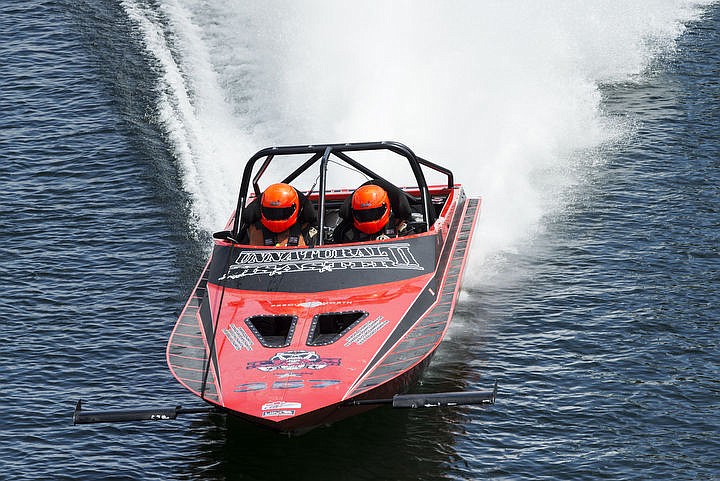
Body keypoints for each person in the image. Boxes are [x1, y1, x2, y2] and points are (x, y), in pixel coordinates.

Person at [333, 183, 413, 243]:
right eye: (363, 214)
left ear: (386, 207)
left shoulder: (401, 226)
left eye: (373, 213)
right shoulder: (348, 234)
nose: (368, 216)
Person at [246, 183, 317, 247]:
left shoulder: (306, 228)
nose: (276, 215)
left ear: (294, 208)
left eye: (282, 212)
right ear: (261, 208)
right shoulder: (254, 229)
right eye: (271, 212)